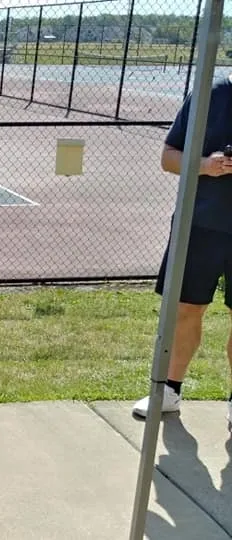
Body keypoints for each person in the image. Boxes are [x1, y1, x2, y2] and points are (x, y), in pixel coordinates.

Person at [131, 73, 232, 433]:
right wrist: (206, 165)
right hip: (199, 223)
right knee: (186, 309)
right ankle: (169, 391)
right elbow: (169, 158)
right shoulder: (212, 93)